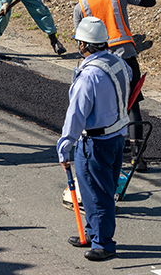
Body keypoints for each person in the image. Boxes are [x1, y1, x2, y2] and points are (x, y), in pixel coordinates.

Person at [57, 17, 132, 262]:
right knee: (98, 191)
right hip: (117, 136)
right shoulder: (119, 63)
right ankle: (92, 232)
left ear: (83, 45)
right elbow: (130, 78)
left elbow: (76, 114)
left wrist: (65, 145)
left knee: (97, 193)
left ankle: (103, 243)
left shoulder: (88, 76)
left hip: (95, 143)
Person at [73, 0, 156, 171]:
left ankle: (105, 153)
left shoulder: (81, 6)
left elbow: (81, 44)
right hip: (127, 57)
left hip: (101, 63)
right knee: (133, 104)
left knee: (104, 106)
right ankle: (138, 158)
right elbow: (149, 0)